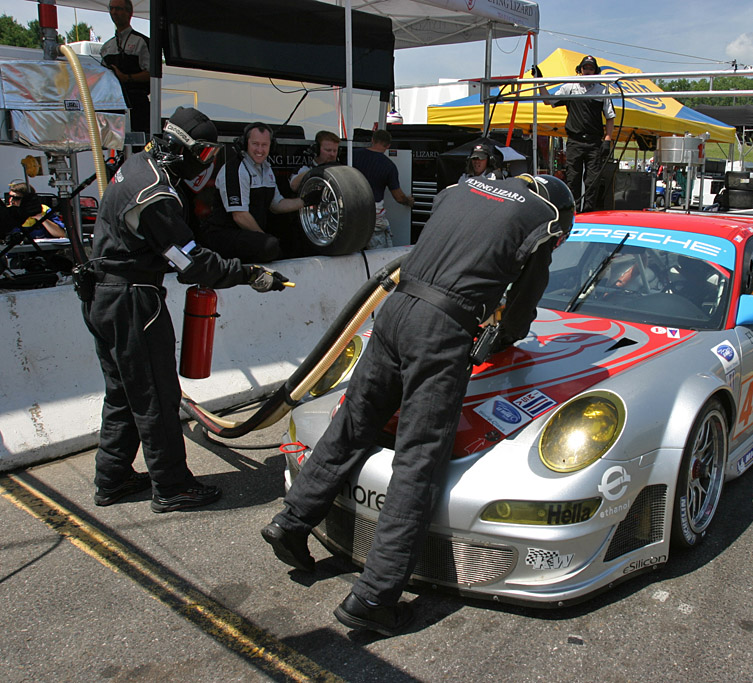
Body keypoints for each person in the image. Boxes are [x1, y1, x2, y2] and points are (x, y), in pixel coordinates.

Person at [261, 173, 576, 636]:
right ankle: (375, 596)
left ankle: (291, 522)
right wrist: (501, 341)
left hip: (395, 311)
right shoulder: (541, 219)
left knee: (353, 423)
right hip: (441, 331)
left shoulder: (464, 187)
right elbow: (523, 308)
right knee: (419, 462)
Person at [81, 107, 291, 513]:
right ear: (184, 149)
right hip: (132, 300)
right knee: (157, 394)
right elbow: (190, 263)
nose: (209, 164)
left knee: (124, 392)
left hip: (104, 296)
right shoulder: (156, 193)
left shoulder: (140, 165)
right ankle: (172, 485)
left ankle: (113, 477)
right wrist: (250, 274)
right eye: (207, 155)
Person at [199, 122, 303, 263]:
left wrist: (305, 201)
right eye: (255, 144)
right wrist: (263, 237)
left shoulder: (266, 169)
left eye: (264, 145)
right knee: (269, 246)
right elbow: (239, 216)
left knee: (292, 238)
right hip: (222, 234)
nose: (260, 149)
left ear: (271, 146)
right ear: (245, 143)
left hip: (247, 234)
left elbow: (277, 205)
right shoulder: (235, 169)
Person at [536, 54, 616, 212]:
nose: (587, 71)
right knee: (573, 179)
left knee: (592, 181)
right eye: (585, 68)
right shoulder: (570, 87)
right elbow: (548, 101)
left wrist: (607, 139)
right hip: (575, 141)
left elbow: (610, 117)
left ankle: (589, 213)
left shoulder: (602, 90)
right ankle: (573, 212)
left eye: (591, 68)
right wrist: (539, 81)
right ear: (580, 70)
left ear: (595, 72)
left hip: (594, 143)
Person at [352, 130, 415, 249]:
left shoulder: (353, 155)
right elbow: (398, 196)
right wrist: (408, 201)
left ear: (372, 140)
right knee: (377, 256)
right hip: (374, 216)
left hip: (353, 212)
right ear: (388, 146)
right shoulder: (389, 166)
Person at [100, 0, 150, 135]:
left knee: (140, 147)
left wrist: (126, 78)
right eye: (111, 8)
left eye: (118, 9)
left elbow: (152, 74)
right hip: (114, 105)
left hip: (137, 103)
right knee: (117, 147)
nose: (114, 12)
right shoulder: (107, 46)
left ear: (129, 12)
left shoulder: (141, 42)